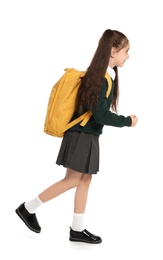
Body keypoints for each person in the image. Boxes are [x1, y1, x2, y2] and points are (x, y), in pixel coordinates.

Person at [15, 29, 138, 244]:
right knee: (72, 180)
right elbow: (99, 113)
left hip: (86, 135)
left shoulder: (103, 75)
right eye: (126, 51)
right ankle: (28, 208)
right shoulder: (102, 78)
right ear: (113, 51)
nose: (128, 55)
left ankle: (77, 229)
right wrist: (127, 121)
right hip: (81, 135)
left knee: (84, 180)